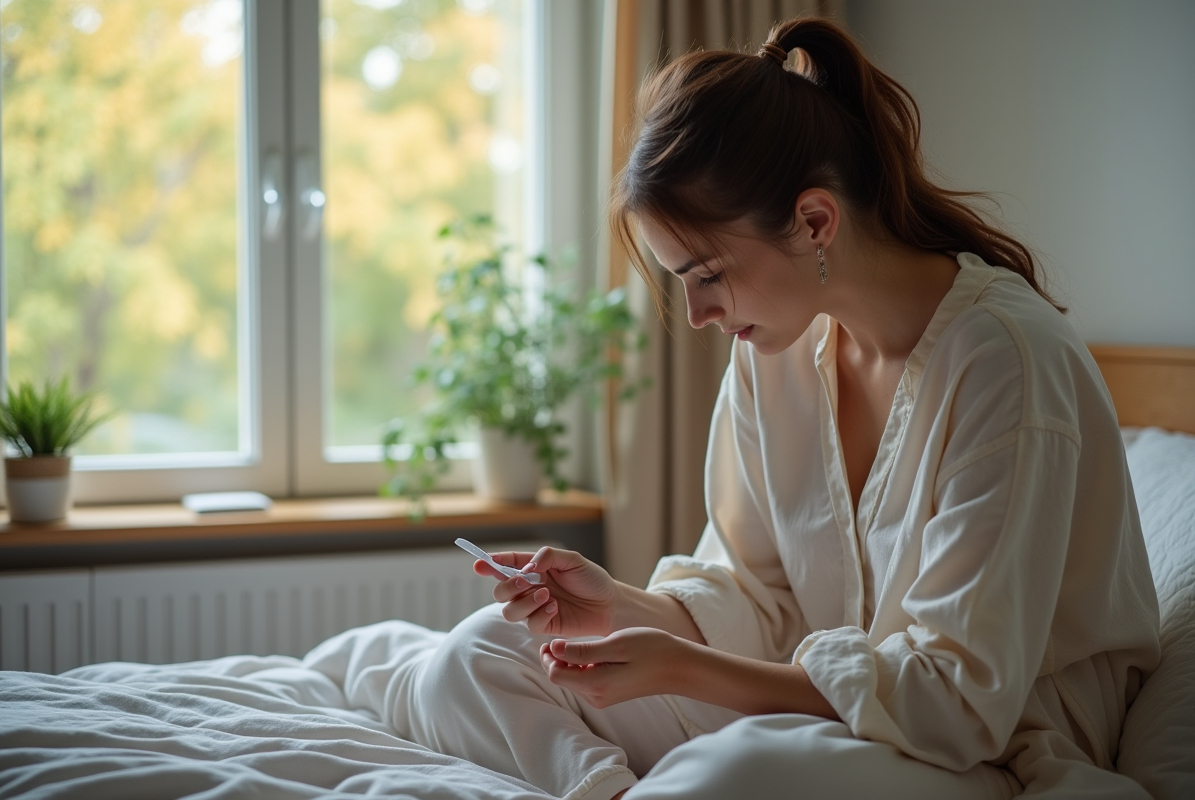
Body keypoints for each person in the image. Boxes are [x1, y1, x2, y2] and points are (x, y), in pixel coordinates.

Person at [327, 16, 1159, 800]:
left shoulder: (1006, 363)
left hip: (988, 744)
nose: (698, 316)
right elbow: (754, 597)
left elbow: (957, 702)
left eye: (708, 275)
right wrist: (619, 607)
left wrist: (681, 670)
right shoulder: (778, 353)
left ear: (814, 221)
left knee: (737, 773)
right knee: (475, 658)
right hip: (818, 701)